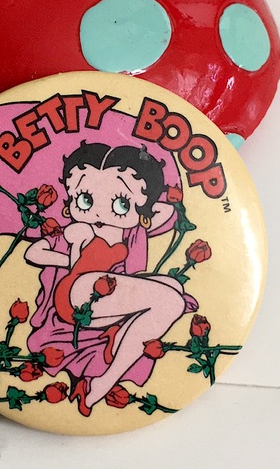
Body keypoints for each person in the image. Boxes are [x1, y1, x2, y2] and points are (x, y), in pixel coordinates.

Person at [25, 141, 191, 416]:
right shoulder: (78, 231)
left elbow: (167, 211)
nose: (99, 212)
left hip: (105, 300)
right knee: (172, 301)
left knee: (173, 285)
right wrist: (70, 260)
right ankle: (101, 385)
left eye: (121, 203)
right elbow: (33, 252)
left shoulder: (129, 233)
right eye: (85, 199)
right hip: (77, 293)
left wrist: (141, 204)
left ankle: (118, 340)